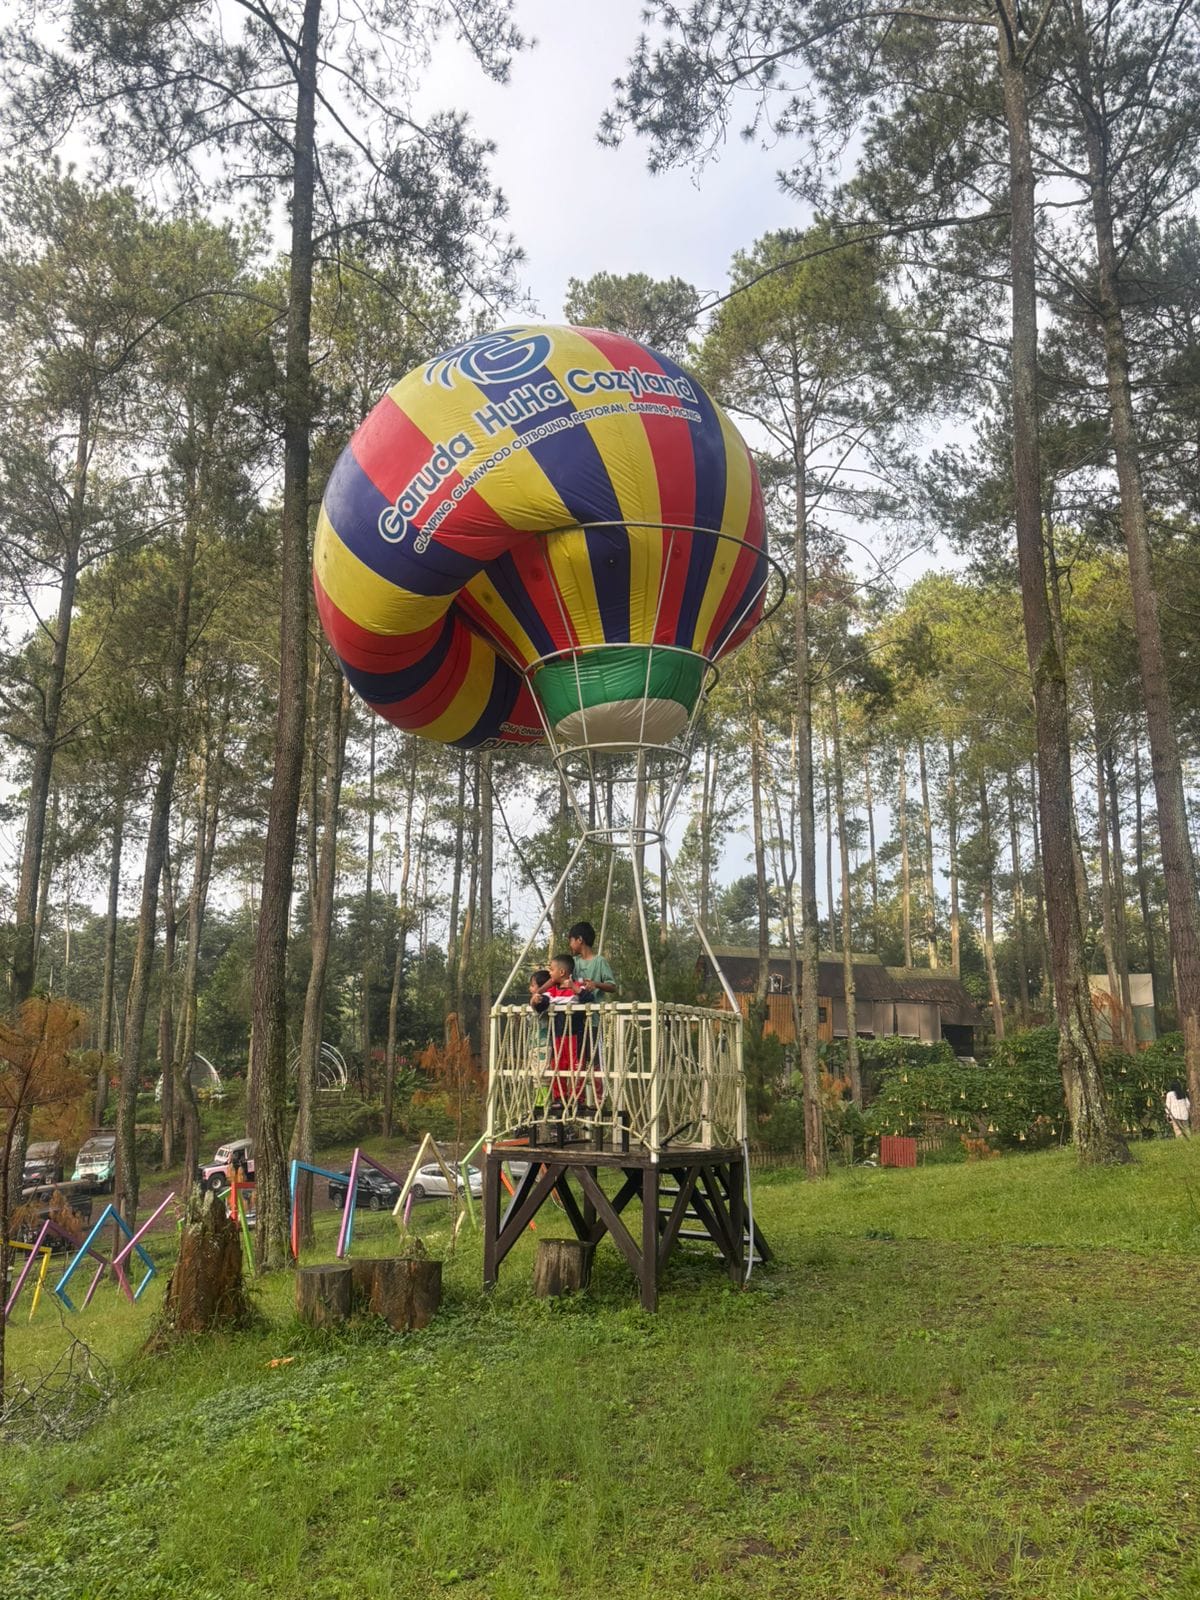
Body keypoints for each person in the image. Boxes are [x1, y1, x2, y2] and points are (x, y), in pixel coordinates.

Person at [531, 952, 593, 1113]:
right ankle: (560, 1097)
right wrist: (536, 1001)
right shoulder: (551, 991)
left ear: (562, 972)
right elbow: (542, 1004)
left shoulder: (578, 986)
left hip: (575, 1035)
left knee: (576, 1065)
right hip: (558, 1035)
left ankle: (577, 1098)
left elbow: (588, 998)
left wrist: (574, 988)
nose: (549, 973)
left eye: (551, 970)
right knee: (558, 1064)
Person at [568, 921, 616, 998]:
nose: (570, 944)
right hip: (574, 1008)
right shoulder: (573, 961)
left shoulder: (599, 961)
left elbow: (612, 987)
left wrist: (596, 984)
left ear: (580, 939)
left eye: (571, 940)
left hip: (594, 1008)